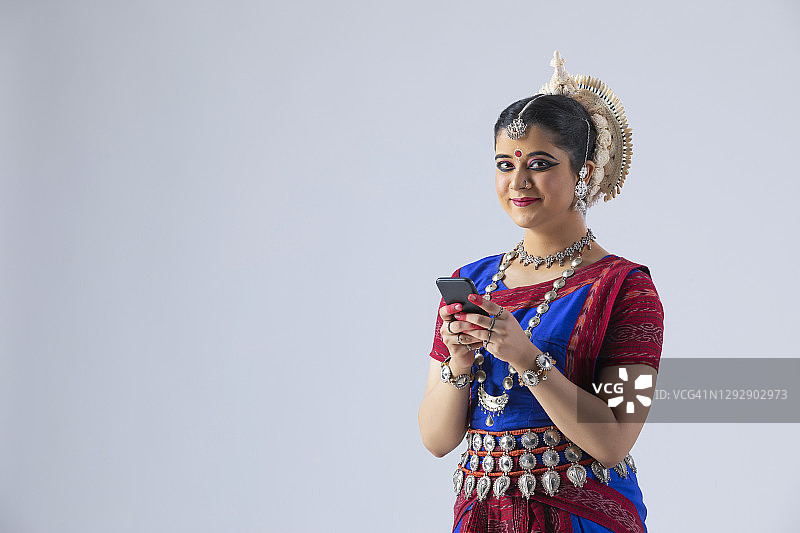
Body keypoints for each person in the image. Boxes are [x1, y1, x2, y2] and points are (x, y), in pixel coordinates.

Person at [418, 51, 664, 533]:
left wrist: (526, 357)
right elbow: (436, 439)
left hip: (581, 517)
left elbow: (615, 441)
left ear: (583, 172)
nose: (518, 182)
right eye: (504, 164)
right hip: (483, 518)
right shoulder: (474, 281)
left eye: (539, 164)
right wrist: (460, 363)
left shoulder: (628, 289)